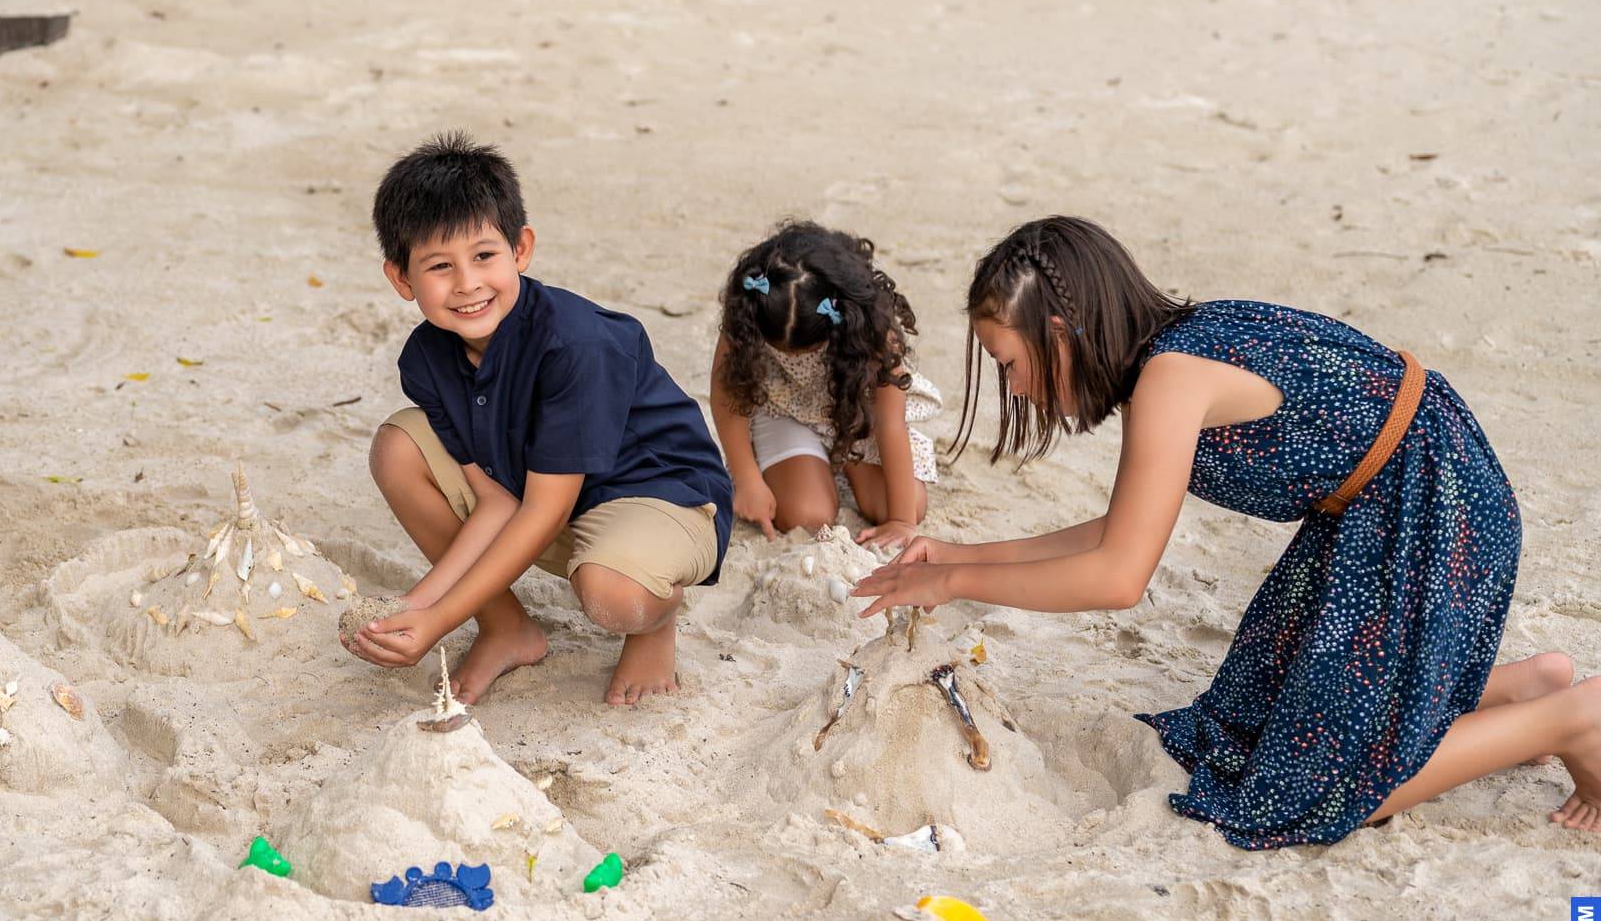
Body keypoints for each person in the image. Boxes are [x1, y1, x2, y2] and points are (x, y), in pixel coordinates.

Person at [852, 215, 1590, 847]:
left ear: (1057, 332)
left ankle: (1568, 719)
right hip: (1384, 502)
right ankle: (1520, 688)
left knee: (1313, 793)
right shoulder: (1177, 348)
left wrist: (954, 581)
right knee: (1249, 727)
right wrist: (961, 553)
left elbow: (1118, 576)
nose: (1013, 386)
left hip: (1433, 505)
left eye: (1009, 364)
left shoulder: (1171, 378)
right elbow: (1117, 529)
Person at [348, 134, 732, 706]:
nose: (467, 284)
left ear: (521, 249)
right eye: (439, 266)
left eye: (484, 256)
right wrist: (416, 605)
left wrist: (439, 620)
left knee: (612, 595)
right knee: (398, 448)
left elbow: (541, 510)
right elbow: (497, 502)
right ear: (402, 279)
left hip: (657, 496)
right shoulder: (426, 358)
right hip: (542, 497)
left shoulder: (575, 345)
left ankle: (655, 624)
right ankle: (506, 628)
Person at [706, 220, 939, 548]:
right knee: (808, 517)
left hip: (853, 414)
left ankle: (842, 462)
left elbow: (890, 421)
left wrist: (901, 522)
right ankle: (810, 462)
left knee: (909, 505)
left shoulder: (870, 327)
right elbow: (728, 393)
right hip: (783, 409)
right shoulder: (751, 312)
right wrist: (747, 479)